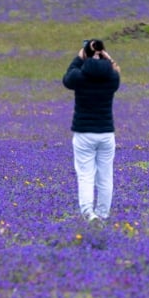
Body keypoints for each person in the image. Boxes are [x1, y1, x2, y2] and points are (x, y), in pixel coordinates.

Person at [63, 38, 121, 222]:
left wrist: (80, 57)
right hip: (106, 133)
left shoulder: (79, 77)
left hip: (84, 132)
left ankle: (89, 213)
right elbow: (115, 70)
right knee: (105, 176)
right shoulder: (112, 78)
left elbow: (67, 78)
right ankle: (102, 214)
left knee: (86, 175)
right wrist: (106, 57)